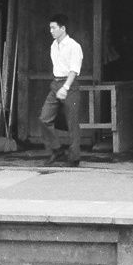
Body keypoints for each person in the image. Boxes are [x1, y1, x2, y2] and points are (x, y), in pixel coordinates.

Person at [40, 13, 84, 166]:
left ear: (62, 28)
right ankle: (57, 149)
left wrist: (65, 87)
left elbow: (74, 70)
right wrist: (58, 87)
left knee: (72, 123)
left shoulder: (74, 46)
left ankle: (74, 158)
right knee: (44, 118)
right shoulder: (54, 45)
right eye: (50, 28)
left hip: (69, 85)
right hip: (56, 83)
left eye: (53, 28)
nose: (51, 30)